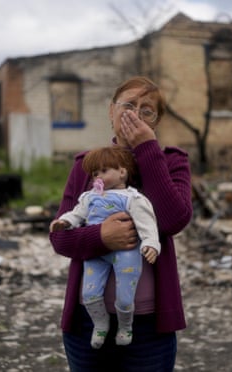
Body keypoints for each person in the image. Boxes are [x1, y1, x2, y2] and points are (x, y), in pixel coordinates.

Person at [49, 75, 193, 371]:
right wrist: (102, 236)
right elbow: (60, 238)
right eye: (128, 105)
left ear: (156, 121)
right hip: (87, 321)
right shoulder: (86, 165)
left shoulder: (172, 162)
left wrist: (147, 150)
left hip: (148, 327)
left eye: (147, 110)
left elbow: (172, 220)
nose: (135, 114)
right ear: (111, 111)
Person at [50, 146, 160, 349]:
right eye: (95, 173)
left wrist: (151, 244)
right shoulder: (88, 197)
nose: (98, 177)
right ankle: (101, 324)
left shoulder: (132, 198)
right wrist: (64, 222)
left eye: (104, 170)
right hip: (97, 252)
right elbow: (76, 214)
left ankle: (125, 325)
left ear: (122, 172)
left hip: (126, 252)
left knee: (125, 296)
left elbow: (147, 224)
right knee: (89, 293)